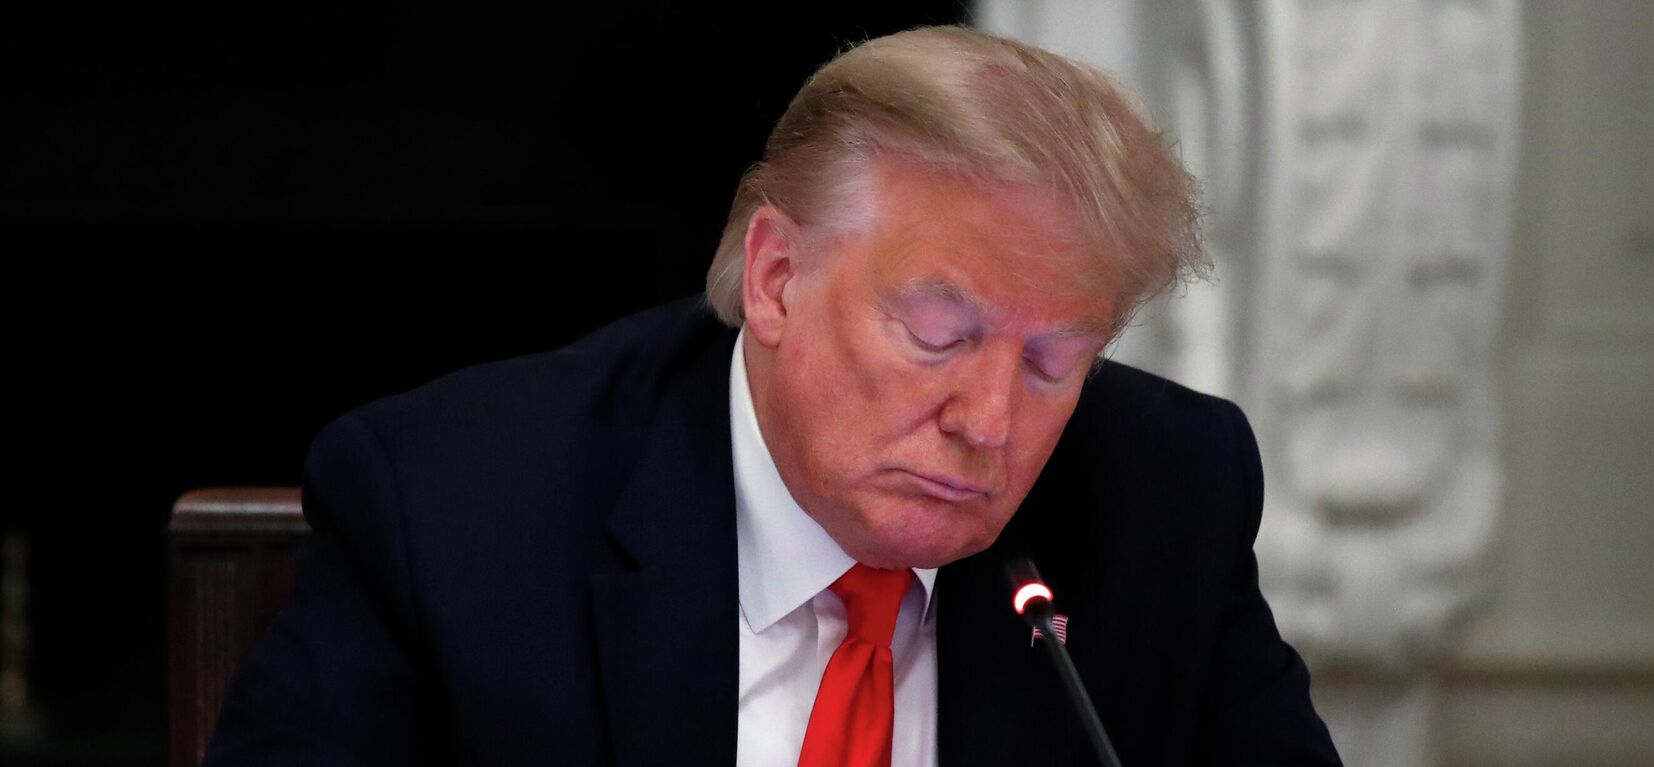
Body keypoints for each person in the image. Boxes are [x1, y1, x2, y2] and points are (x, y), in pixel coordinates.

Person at [203, 25, 1340, 767]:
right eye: (940, 334)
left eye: (1057, 360)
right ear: (777, 276)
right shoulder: (453, 505)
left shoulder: (1163, 492)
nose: (990, 419)